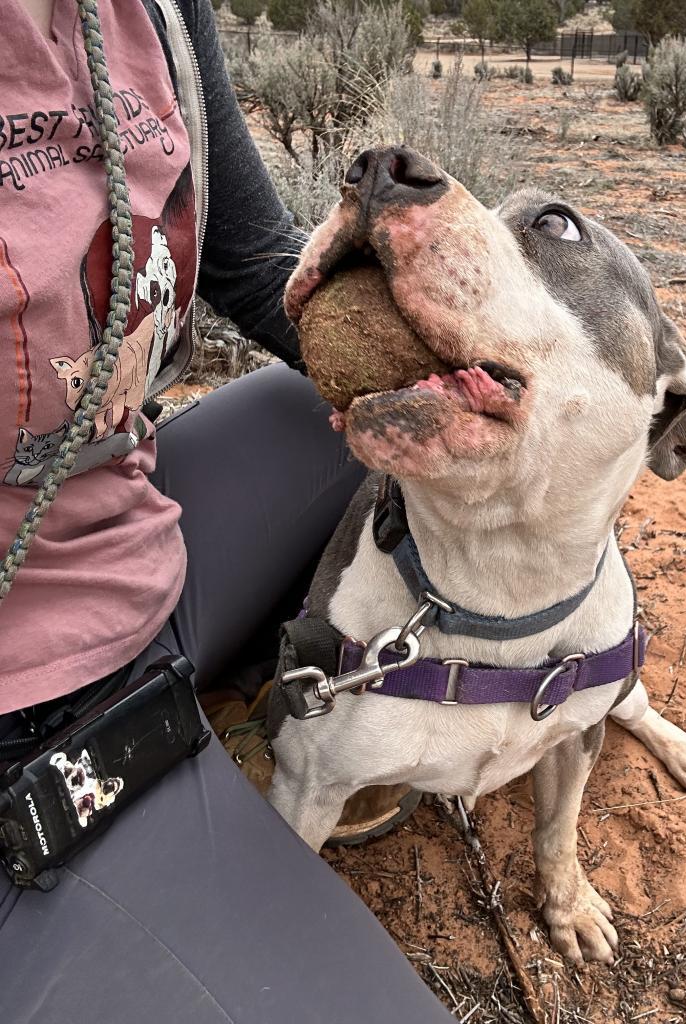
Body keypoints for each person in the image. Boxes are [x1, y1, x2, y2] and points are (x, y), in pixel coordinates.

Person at [0, 1, 454, 1020]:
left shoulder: (150, 11)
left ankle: (236, 689)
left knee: (326, 418)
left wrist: (469, 375)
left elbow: (253, 262)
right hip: (27, 696)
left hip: (125, 535)